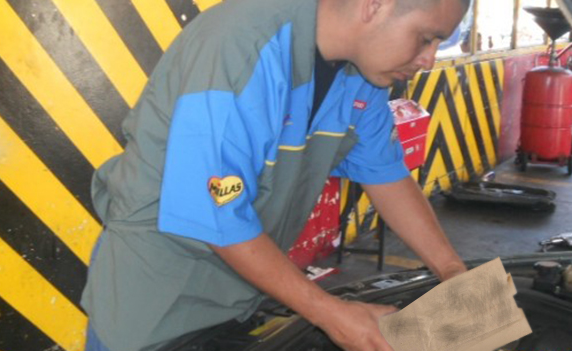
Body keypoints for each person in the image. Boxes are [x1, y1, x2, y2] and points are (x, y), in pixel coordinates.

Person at [81, 0, 470, 350]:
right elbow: (219, 208)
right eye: (425, 38)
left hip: (241, 290)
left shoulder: (362, 74)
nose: (430, 59)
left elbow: (386, 174)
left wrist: (452, 272)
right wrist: (330, 313)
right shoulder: (240, 46)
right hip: (157, 299)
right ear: (375, 5)